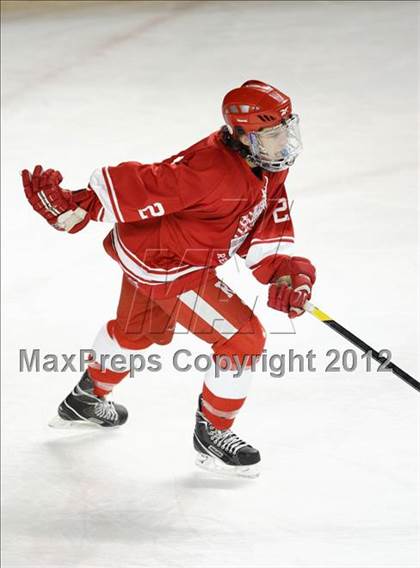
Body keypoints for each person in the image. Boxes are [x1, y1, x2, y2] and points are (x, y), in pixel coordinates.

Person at [22, 80, 316, 478]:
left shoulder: (265, 165)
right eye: (272, 134)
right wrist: (77, 206)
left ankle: (85, 399)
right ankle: (213, 433)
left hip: (152, 251)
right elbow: (147, 182)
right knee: (242, 337)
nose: (284, 142)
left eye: (286, 129)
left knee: (138, 333)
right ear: (244, 135)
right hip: (169, 263)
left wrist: (284, 273)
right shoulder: (210, 170)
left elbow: (263, 223)